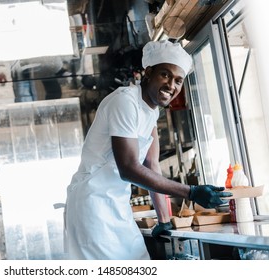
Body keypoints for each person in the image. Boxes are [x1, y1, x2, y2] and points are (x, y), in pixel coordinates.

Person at [64, 40, 232, 260]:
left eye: (178, 81)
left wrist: (164, 220)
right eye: (166, 75)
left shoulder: (151, 112)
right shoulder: (125, 102)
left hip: (115, 204)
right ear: (149, 72)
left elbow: (152, 165)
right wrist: (191, 192)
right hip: (94, 205)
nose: (172, 85)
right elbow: (129, 168)